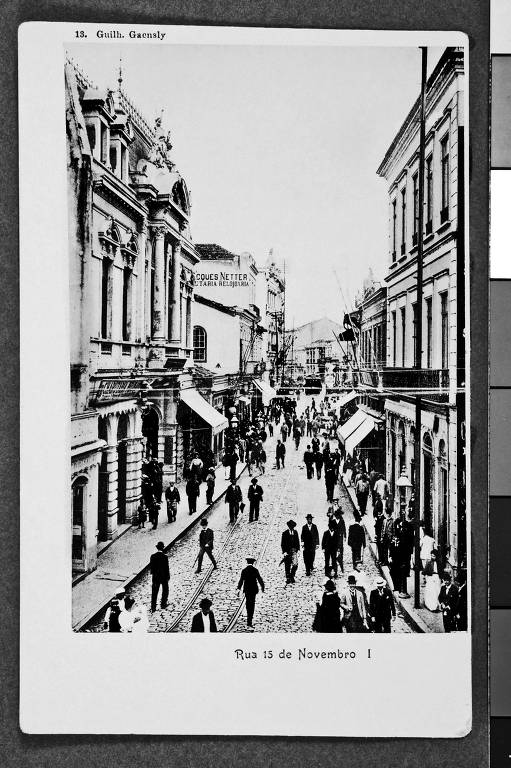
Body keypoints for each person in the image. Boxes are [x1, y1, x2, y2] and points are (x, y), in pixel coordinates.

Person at [390, 505, 414, 597]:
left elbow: (411, 540)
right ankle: (397, 587)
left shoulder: (409, 526)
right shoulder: (396, 522)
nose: (403, 514)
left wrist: (410, 553)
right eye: (402, 512)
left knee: (403, 572)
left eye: (405, 512)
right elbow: (394, 535)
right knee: (393, 571)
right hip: (396, 553)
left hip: (405, 554)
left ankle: (402, 589)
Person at [237, 557, 265, 628]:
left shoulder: (244, 570)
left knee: (248, 603)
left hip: (247, 590)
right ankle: (250, 620)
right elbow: (259, 579)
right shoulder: (255, 570)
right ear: (253, 563)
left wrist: (238, 588)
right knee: (252, 604)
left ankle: (248, 617)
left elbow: (241, 580)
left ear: (247, 562)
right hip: (253, 590)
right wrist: (262, 587)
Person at [149, 541, 170, 612]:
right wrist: (168, 576)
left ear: (157, 548)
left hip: (156, 577)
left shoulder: (153, 556)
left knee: (154, 592)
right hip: (163, 577)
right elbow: (166, 568)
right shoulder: (165, 557)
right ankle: (163, 604)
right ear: (163, 548)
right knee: (165, 590)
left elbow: (151, 568)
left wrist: (154, 574)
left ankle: (153, 607)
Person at [281, 519, 300, 584]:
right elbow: (282, 543)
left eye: (292, 526)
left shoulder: (295, 532)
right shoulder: (285, 533)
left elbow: (297, 541)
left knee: (295, 565)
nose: (291, 527)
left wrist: (298, 549)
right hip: (287, 552)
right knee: (287, 565)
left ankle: (292, 575)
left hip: (294, 551)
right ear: (288, 526)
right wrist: (284, 552)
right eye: (290, 526)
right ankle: (288, 577)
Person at [333, 507, 347, 574]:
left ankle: (341, 567)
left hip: (340, 539)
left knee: (341, 553)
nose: (338, 516)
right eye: (337, 515)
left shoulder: (342, 521)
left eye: (339, 515)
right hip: (334, 539)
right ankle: (335, 569)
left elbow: (344, 529)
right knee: (334, 554)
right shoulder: (333, 521)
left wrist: (345, 536)